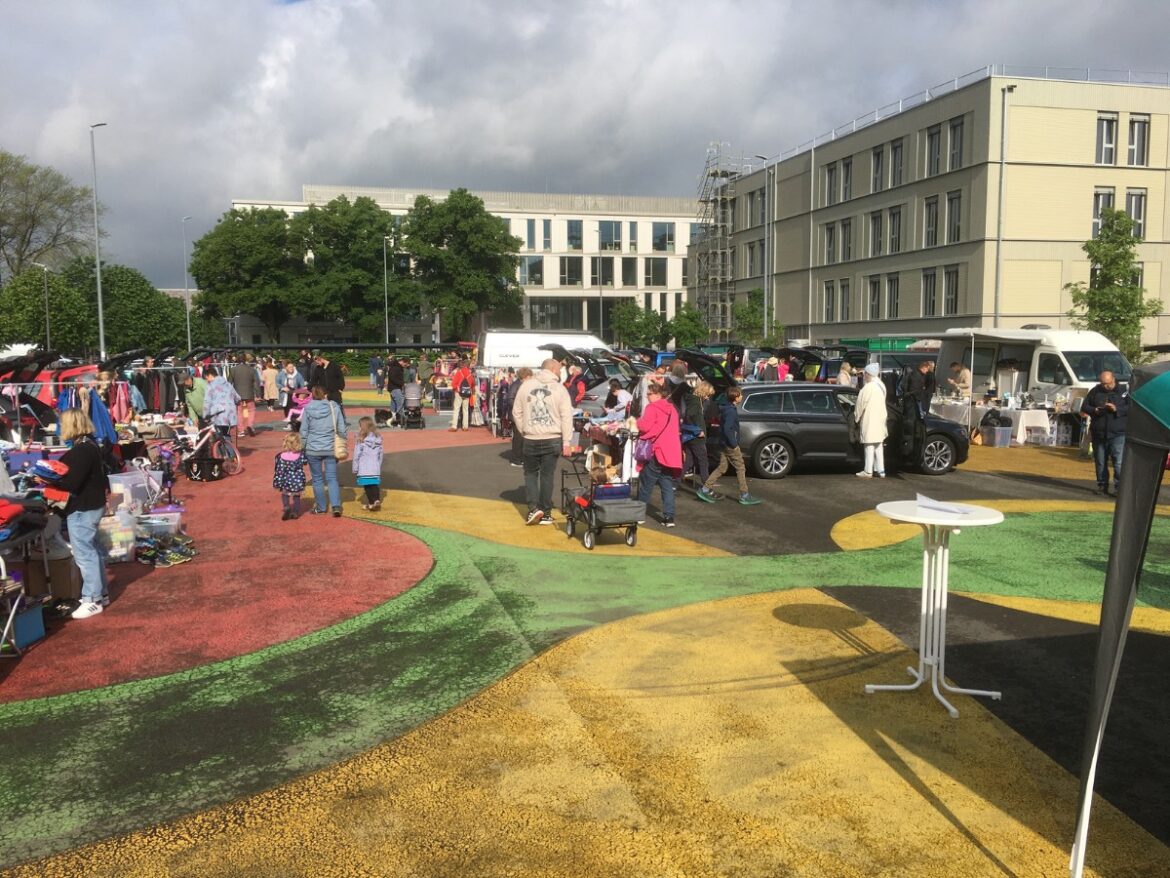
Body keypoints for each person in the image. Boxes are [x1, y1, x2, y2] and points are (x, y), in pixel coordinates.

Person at [55, 409, 111, 619]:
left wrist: (49, 478)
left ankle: (92, 599)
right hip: (92, 504)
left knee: (85, 554)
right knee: (92, 550)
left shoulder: (82, 450)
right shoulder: (89, 445)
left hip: (84, 507)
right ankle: (100, 594)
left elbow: (71, 483)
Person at [511, 358, 573, 525]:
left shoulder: (526, 386)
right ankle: (545, 511)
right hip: (552, 437)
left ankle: (533, 508)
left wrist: (524, 430)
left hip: (531, 437)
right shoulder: (560, 389)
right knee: (547, 475)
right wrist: (567, 441)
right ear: (552, 369)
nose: (560, 372)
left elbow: (516, 411)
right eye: (559, 369)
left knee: (531, 473)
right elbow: (566, 417)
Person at [697, 386, 762, 506]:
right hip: (730, 445)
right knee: (740, 467)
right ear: (735, 397)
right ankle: (744, 495)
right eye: (740, 395)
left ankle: (705, 489)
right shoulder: (731, 411)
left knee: (722, 467)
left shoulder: (726, 408)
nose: (741, 396)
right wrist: (734, 443)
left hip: (723, 443)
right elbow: (727, 429)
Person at [636, 382, 683, 526]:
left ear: (657, 394)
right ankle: (669, 518)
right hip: (671, 452)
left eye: (649, 394)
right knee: (667, 484)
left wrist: (637, 421)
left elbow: (645, 426)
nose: (647, 397)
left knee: (647, 483)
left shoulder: (652, 407)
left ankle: (639, 514)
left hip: (657, 450)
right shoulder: (672, 409)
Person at [299, 385, 347, 517]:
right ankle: (336, 506)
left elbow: (304, 431)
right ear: (325, 395)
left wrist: (303, 446)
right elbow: (341, 428)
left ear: (312, 395)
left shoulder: (308, 408)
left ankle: (321, 507)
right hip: (330, 447)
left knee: (317, 479)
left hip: (313, 448)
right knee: (332, 478)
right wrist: (342, 441)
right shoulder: (334, 407)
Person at [1081, 370, 1128, 495]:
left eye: (1108, 383)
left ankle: (1119, 488)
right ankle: (1102, 485)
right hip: (1099, 432)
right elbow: (1084, 406)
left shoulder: (1124, 391)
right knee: (1100, 461)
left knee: (1118, 462)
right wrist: (1094, 410)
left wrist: (1117, 409)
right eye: (1103, 384)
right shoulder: (1095, 391)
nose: (1105, 386)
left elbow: (1132, 408)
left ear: (1114, 379)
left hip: (1118, 432)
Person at [855, 362, 888, 478]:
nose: (864, 376)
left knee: (869, 444)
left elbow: (860, 403)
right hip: (881, 417)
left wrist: (857, 416)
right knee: (878, 444)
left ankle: (868, 471)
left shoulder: (868, 387)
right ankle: (881, 470)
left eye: (865, 374)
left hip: (870, 418)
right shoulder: (881, 385)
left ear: (868, 374)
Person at [683, 380, 713, 493]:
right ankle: (706, 488)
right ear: (703, 392)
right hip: (697, 438)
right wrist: (697, 431)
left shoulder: (694, 401)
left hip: (692, 437)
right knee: (703, 462)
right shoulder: (695, 402)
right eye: (707, 394)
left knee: (689, 462)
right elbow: (688, 416)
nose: (708, 398)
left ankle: (674, 483)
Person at [272, 432, 308, 520]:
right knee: (296, 496)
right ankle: (295, 512)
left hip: (286, 480)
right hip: (298, 480)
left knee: (285, 494)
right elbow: (305, 462)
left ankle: (286, 507)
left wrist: (277, 482)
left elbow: (279, 470)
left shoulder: (281, 456)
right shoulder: (301, 455)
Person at [352, 415, 384, 512]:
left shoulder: (361, 440)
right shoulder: (378, 440)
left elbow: (356, 455)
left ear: (362, 427)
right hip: (375, 468)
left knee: (367, 486)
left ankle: (371, 503)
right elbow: (380, 455)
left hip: (364, 468)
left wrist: (355, 468)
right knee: (374, 485)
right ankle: (377, 500)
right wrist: (378, 465)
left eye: (359, 426)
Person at [229, 353, 262, 438]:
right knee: (251, 410)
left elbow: (229, 383)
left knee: (239, 412)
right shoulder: (252, 369)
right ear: (245, 360)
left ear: (237, 360)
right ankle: (250, 425)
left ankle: (241, 430)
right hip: (249, 393)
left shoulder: (233, 369)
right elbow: (256, 383)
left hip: (238, 394)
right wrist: (258, 394)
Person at [202, 366, 241, 438]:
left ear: (210, 375)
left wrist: (205, 415)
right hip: (230, 413)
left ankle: (224, 444)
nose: (206, 380)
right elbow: (237, 397)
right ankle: (227, 443)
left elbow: (207, 401)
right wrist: (237, 402)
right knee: (226, 434)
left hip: (219, 414)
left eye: (206, 378)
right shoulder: (227, 384)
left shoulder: (210, 386)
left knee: (219, 435)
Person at [505, 367, 532, 467]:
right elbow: (510, 398)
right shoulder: (516, 385)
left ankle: (521, 458)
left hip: (521, 415)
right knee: (518, 438)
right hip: (516, 416)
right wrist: (521, 407)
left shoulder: (522, 385)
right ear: (526, 376)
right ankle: (516, 459)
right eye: (530, 377)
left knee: (522, 438)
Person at [277, 360, 306, 428]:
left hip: (295, 393)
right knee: (286, 408)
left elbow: (302, 384)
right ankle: (289, 423)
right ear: (286, 367)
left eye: (292, 367)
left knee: (295, 408)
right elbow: (277, 383)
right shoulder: (281, 374)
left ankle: (296, 423)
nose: (291, 368)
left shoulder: (297, 374)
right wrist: (282, 388)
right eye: (289, 367)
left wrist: (302, 393)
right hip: (285, 394)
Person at [449, 358, 476, 431]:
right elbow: (473, 384)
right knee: (465, 410)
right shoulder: (470, 374)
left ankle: (454, 426)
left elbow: (453, 384)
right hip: (467, 393)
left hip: (458, 393)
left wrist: (456, 389)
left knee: (456, 409)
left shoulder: (459, 372)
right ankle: (465, 426)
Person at [384, 356, 406, 423]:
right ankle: (401, 420)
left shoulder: (395, 367)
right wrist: (402, 383)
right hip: (395, 388)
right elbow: (392, 378)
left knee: (394, 405)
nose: (405, 366)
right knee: (400, 404)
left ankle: (392, 419)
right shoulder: (396, 368)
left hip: (393, 388)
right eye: (405, 364)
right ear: (402, 362)